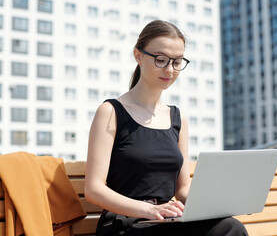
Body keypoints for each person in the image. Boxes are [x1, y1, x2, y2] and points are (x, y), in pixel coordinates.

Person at [84, 20, 248, 236]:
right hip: (126, 224)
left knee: (230, 227)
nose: (170, 70)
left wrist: (219, 205)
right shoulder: (111, 112)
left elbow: (182, 190)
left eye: (177, 62)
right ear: (138, 56)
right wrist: (149, 209)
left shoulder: (178, 119)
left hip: (166, 222)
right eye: (161, 60)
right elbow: (93, 189)